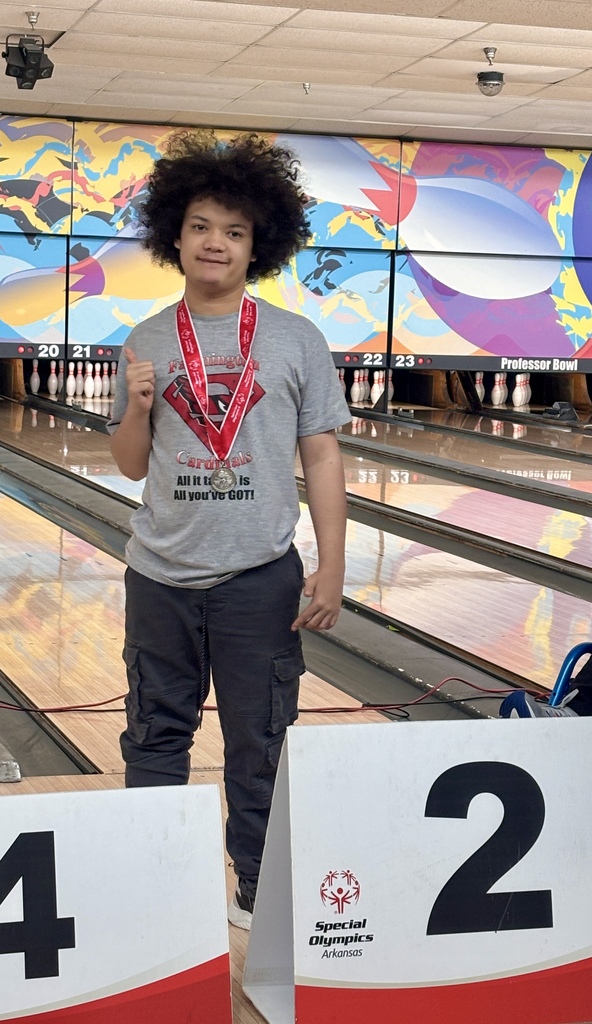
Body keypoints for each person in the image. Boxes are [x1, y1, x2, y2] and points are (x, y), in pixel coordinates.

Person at [108, 131, 350, 930]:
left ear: (260, 246)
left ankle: (256, 888)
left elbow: (320, 456)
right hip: (160, 575)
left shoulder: (295, 341)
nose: (217, 241)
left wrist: (332, 569)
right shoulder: (144, 341)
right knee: (153, 736)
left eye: (236, 230)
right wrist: (138, 409)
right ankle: (153, 888)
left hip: (258, 577)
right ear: (174, 235)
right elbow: (132, 465)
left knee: (263, 744)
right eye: (203, 225)